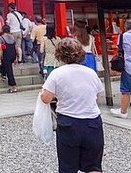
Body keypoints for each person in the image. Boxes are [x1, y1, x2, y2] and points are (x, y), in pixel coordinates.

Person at [41, 38, 105, 173]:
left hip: (69, 122)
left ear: (59, 55)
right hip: (92, 121)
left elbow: (46, 99)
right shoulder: (91, 73)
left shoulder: (56, 74)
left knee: (68, 165)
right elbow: (98, 95)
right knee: (93, 166)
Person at [0, 24, 20, 92]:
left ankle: (13, 86)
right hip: (13, 54)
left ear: (3, 30)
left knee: (9, 71)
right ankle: (4, 74)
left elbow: (0, 49)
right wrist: (17, 57)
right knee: (7, 68)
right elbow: (16, 47)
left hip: (6, 55)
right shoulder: (13, 37)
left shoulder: (1, 38)